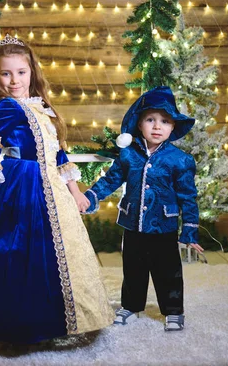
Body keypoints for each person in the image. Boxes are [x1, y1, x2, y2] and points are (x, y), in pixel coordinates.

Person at [0, 34, 114, 343]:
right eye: (5, 73)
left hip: (51, 183)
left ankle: (57, 317)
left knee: (57, 252)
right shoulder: (7, 107)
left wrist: (76, 192)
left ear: (31, 71)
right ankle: (18, 321)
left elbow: (59, 154)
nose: (13, 80)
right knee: (18, 249)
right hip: (20, 184)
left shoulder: (41, 107)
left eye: (20, 72)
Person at [83, 86, 203, 331]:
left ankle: (173, 311)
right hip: (132, 223)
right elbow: (111, 180)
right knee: (133, 268)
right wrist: (90, 197)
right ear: (139, 124)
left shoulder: (180, 160)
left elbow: (188, 197)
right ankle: (131, 305)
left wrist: (189, 230)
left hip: (164, 226)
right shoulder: (129, 155)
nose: (157, 126)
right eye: (150, 120)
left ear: (173, 128)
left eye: (165, 121)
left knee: (167, 271)